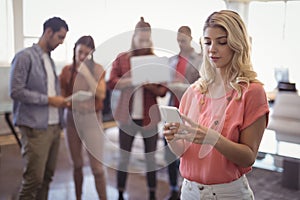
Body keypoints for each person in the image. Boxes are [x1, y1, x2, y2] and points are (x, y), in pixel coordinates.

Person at [163, 10, 269, 199]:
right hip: (189, 192)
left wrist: (213, 139)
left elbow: (248, 156)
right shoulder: (194, 91)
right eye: (207, 42)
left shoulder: (252, 92)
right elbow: (183, 152)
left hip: (227, 194)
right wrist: (171, 138)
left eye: (222, 42)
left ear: (237, 44)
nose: (212, 49)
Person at [9, 17, 69, 200]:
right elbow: (16, 91)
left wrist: (60, 102)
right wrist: (49, 100)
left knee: (47, 177)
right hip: (35, 128)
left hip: (54, 126)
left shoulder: (49, 61)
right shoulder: (24, 57)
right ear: (48, 32)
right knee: (33, 180)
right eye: (60, 37)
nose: (61, 43)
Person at [108, 17, 167, 200]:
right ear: (134, 38)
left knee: (150, 160)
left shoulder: (156, 61)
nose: (143, 43)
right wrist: (131, 80)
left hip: (149, 117)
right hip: (127, 117)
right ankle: (119, 194)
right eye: (140, 39)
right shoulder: (122, 59)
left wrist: (148, 85)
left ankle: (151, 195)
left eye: (147, 39)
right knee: (123, 158)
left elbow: (163, 91)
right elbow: (111, 82)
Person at [59, 35, 107, 200]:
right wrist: (68, 101)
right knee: (77, 165)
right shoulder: (66, 71)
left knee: (97, 168)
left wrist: (86, 74)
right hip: (71, 119)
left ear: (92, 53)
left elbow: (101, 93)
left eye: (86, 54)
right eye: (80, 52)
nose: (82, 57)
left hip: (92, 119)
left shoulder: (98, 69)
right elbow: (61, 97)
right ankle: (78, 197)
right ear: (74, 50)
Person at [165, 26, 202, 200]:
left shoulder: (199, 59)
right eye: (178, 40)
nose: (181, 44)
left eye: (184, 40)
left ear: (190, 38)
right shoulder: (172, 60)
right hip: (173, 107)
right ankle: (173, 188)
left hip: (192, 112)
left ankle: (189, 186)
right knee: (170, 150)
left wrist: (183, 88)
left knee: (189, 151)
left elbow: (203, 86)